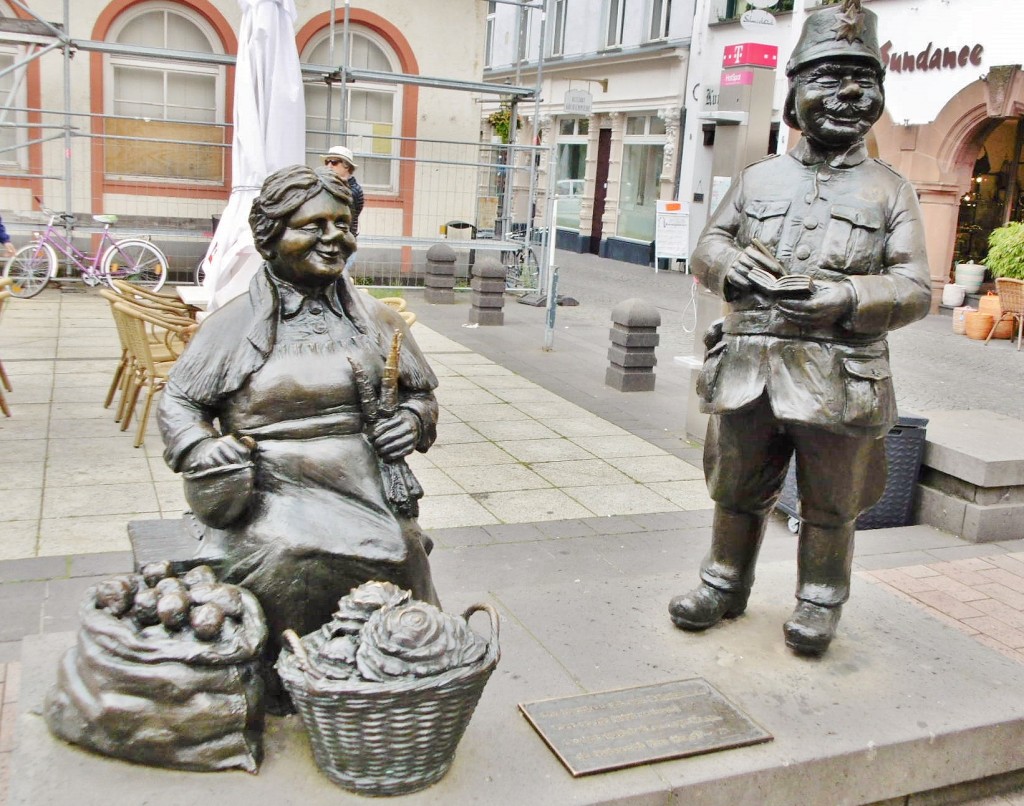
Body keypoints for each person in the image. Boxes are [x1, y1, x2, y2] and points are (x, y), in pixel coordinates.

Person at [668, 0, 931, 656]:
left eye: (863, 79)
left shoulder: (890, 190)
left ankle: (819, 600)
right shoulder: (758, 178)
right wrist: (735, 267)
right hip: (749, 369)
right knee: (736, 488)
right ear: (793, 92)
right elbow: (707, 248)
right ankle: (723, 583)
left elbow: (916, 287)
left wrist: (845, 296)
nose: (847, 92)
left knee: (830, 502)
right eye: (827, 76)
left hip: (839, 376)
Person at [157, 165, 439, 688]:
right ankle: (289, 682)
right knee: (292, 554)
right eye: (313, 226)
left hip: (363, 484)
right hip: (271, 486)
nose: (335, 238)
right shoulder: (232, 324)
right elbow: (178, 400)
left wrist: (412, 420)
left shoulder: (377, 319)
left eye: (344, 224)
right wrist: (200, 447)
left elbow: (421, 393)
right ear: (270, 238)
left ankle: (396, 672)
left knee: (400, 548)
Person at [323, 145, 363, 274]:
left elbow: (343, 220)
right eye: (327, 162)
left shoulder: (352, 191)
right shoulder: (333, 186)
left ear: (347, 166)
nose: (329, 166)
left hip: (341, 248)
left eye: (334, 162)